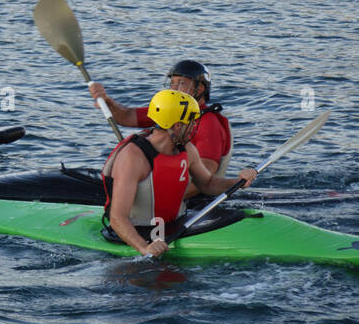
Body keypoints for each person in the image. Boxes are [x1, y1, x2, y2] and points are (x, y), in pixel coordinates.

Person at [101, 89, 256, 257]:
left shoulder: (187, 150)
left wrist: (238, 181)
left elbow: (208, 184)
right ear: (177, 126)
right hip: (138, 234)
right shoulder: (133, 157)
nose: (195, 126)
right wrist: (144, 248)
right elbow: (118, 218)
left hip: (174, 227)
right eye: (191, 121)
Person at [89, 59, 232, 182]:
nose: (174, 89)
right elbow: (126, 116)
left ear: (199, 88)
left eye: (181, 83)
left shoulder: (208, 123)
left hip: (189, 200)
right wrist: (108, 102)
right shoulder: (170, 110)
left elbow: (206, 174)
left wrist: (158, 194)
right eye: (172, 83)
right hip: (157, 182)